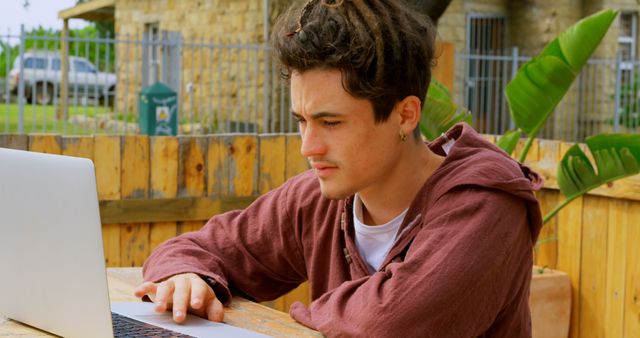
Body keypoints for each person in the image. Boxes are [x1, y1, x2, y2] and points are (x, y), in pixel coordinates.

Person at [135, 0, 543, 336]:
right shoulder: (319, 198)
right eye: (301, 120)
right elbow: (199, 249)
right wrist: (185, 277)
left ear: (405, 115)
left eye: (331, 123)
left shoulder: (487, 207)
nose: (307, 147)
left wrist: (292, 317)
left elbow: (386, 325)